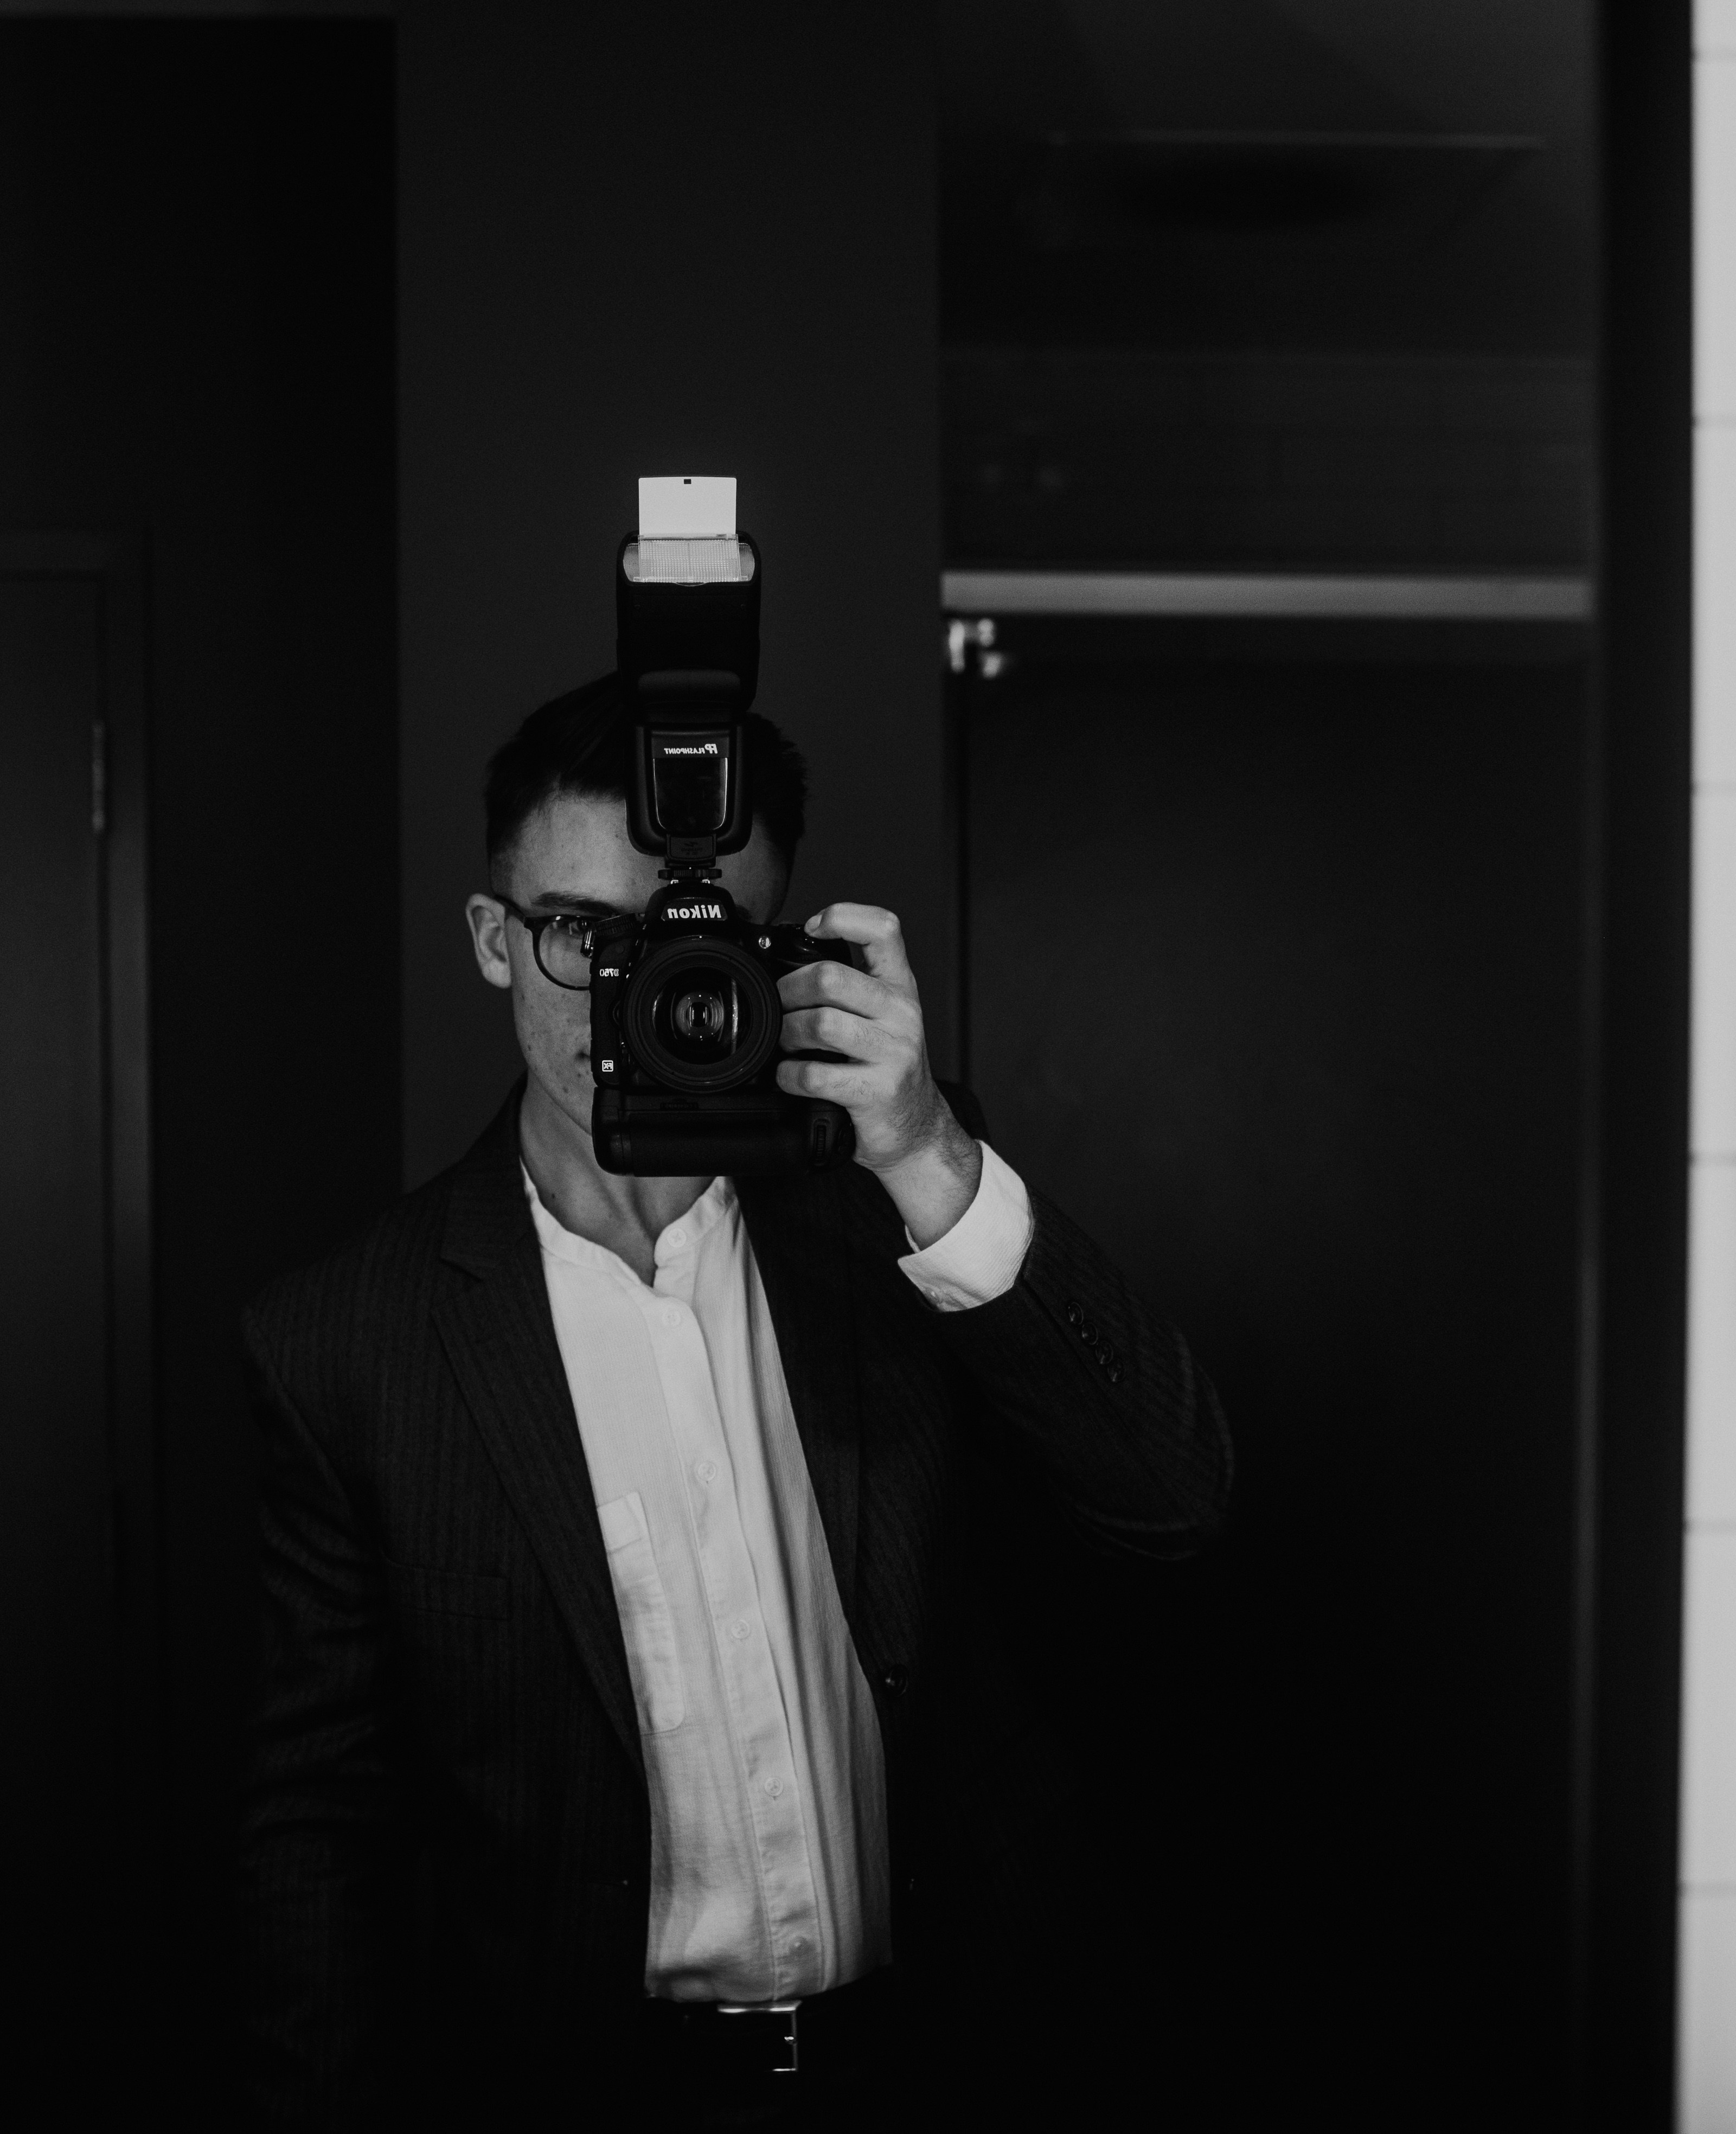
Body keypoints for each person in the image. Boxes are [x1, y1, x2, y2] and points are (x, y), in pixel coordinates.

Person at [236, 674, 1231, 2129]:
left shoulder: (890, 1208)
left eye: (684, 947)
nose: (633, 996)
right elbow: (320, 1838)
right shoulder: (346, 1342)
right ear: (494, 940)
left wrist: (925, 1150)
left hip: (955, 2058)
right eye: (586, 937)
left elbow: (1172, 1496)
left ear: (777, 956)